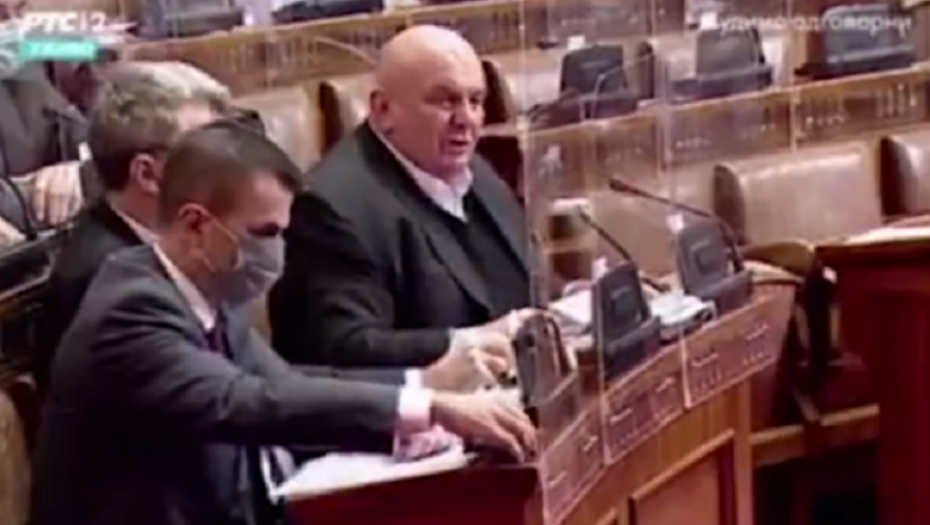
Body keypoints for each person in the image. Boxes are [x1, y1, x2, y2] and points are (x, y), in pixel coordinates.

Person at [31, 120, 537, 525]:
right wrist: (429, 406)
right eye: (264, 233)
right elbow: (243, 401)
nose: (278, 253)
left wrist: (421, 398)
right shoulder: (131, 307)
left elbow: (285, 383)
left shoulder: (205, 290)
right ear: (196, 225)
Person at [39, 60, 507, 395]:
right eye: (207, 150)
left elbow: (274, 379)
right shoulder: (108, 277)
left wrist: (419, 384)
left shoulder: (192, 247)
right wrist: (417, 400)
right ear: (148, 174)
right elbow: (245, 402)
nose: (234, 163)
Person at [269, 25, 533, 369]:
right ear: (383, 110)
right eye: (445, 101)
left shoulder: (473, 169)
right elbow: (344, 347)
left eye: (475, 101)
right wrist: (471, 343)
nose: (466, 119)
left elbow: (521, 280)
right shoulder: (333, 207)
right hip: (426, 397)